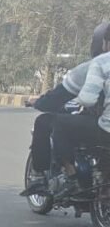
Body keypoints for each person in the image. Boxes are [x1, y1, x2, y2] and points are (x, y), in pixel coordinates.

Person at [20, 23, 108, 196]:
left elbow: (57, 99)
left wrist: (37, 102)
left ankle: (64, 176)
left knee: (49, 122)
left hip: (101, 126)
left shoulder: (94, 66)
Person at [48, 23, 110, 197]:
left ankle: (71, 176)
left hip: (106, 130)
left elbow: (88, 100)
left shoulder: (101, 62)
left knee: (59, 122)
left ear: (105, 43)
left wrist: (79, 99)